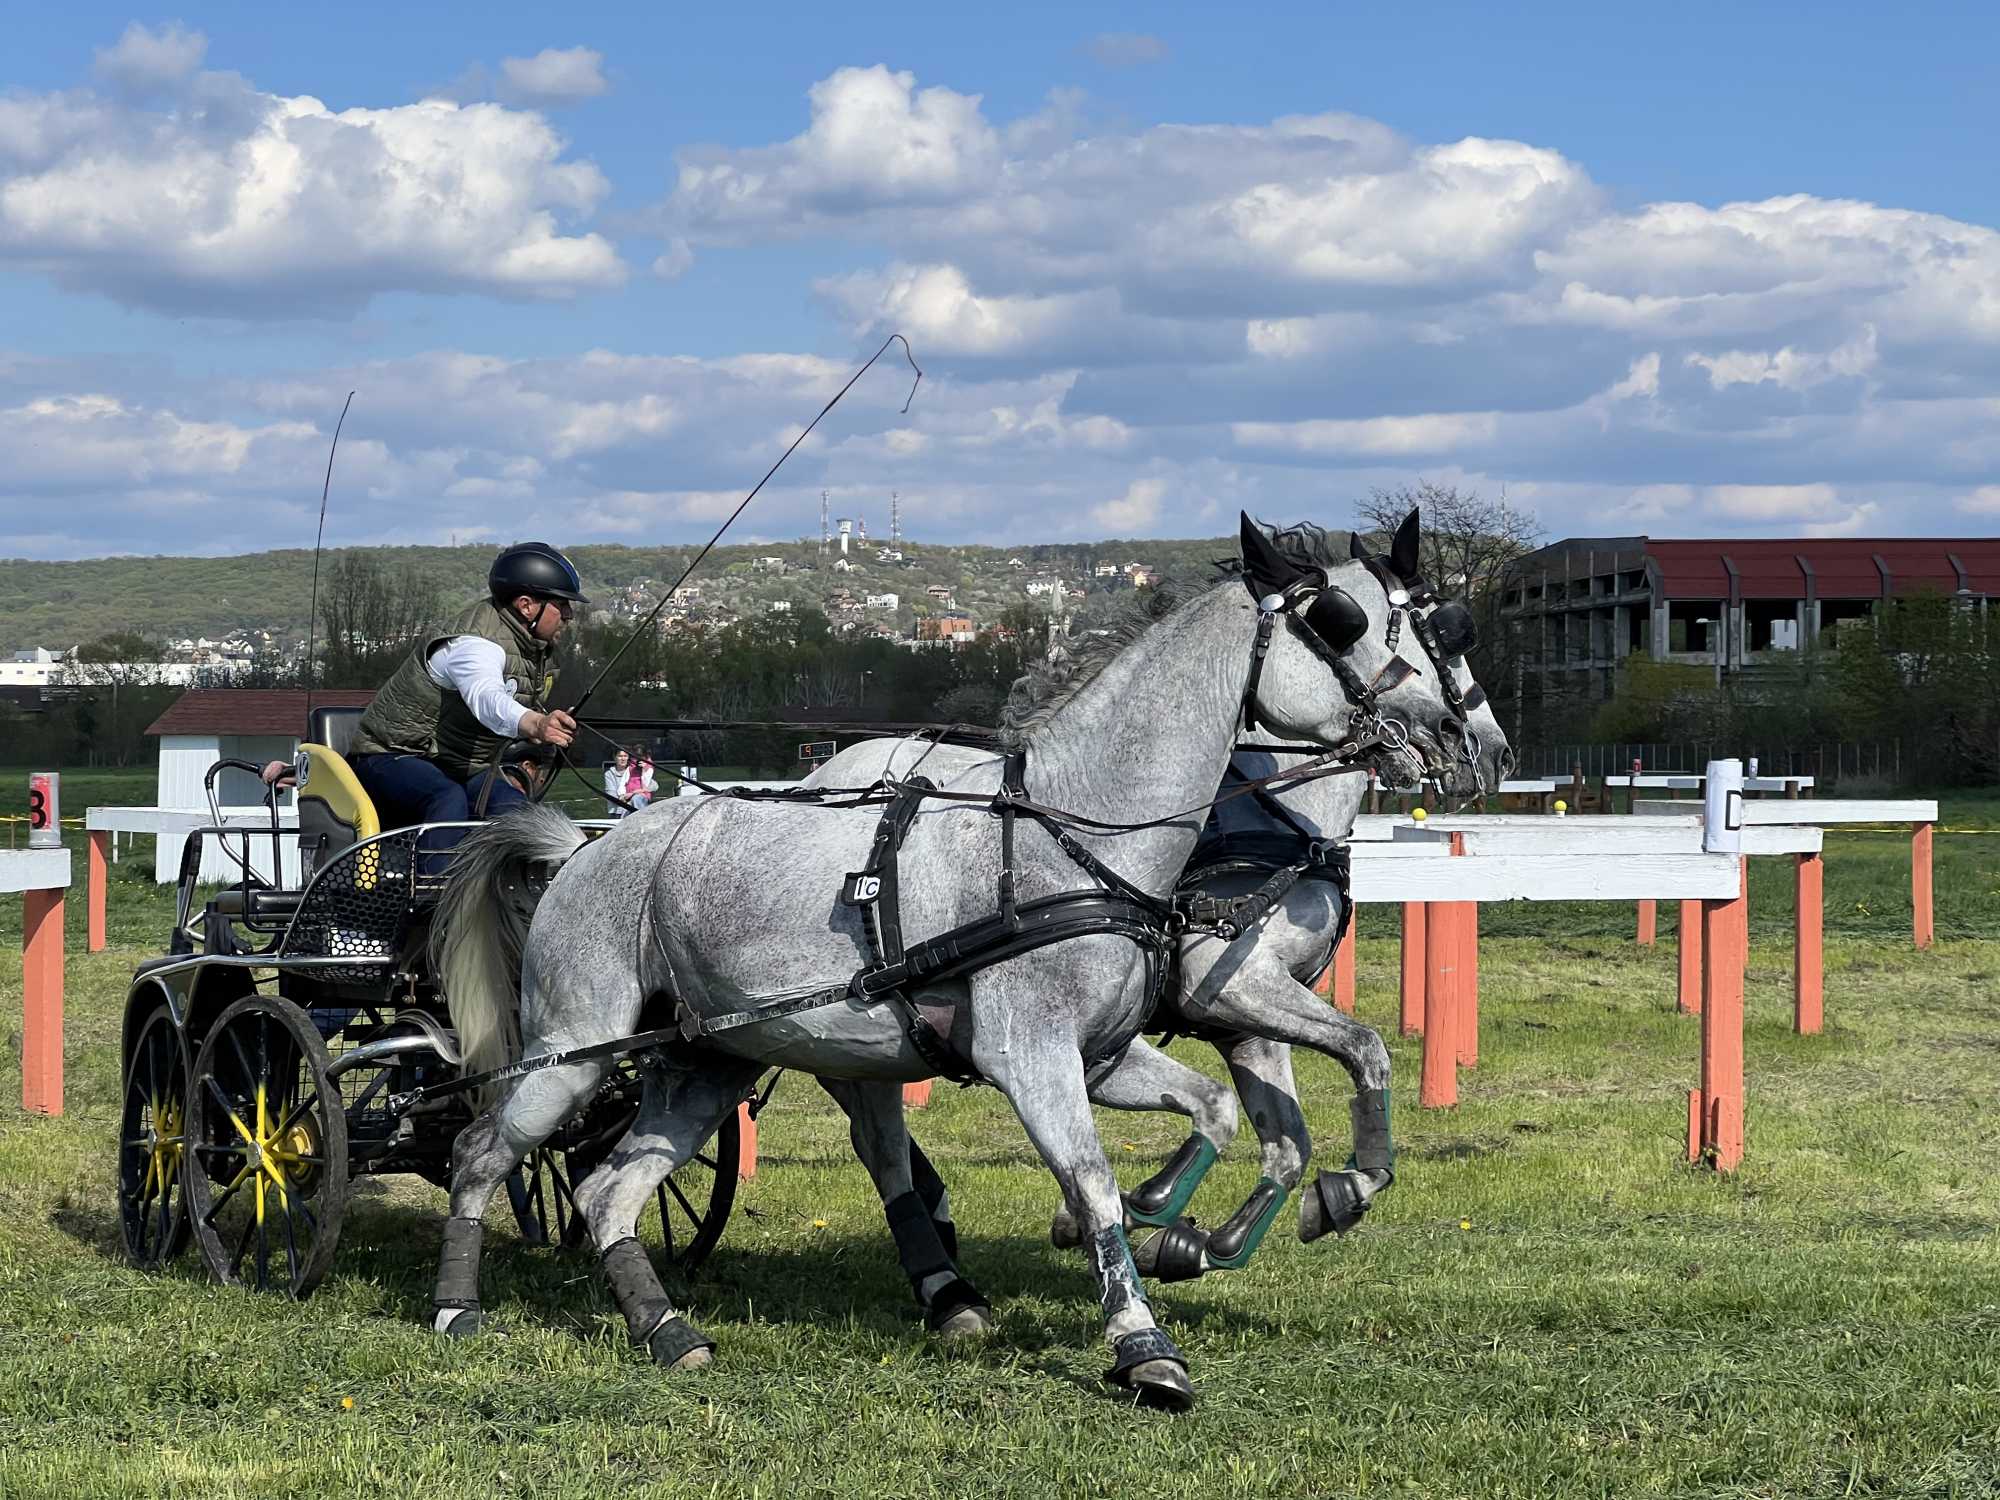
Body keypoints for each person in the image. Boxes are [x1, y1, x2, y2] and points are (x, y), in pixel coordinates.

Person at [341, 541, 585, 834]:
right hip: (389, 755)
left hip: (457, 764)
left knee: (525, 817)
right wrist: (536, 724)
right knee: (446, 798)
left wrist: (547, 729)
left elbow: (510, 705)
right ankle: (433, 881)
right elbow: (487, 699)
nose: (569, 615)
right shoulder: (474, 645)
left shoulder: (535, 650)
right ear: (526, 605)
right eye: (561, 605)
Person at [604, 749, 632, 818]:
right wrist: (623, 798)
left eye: (625, 756)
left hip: (632, 810)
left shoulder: (635, 771)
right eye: (620, 756)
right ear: (615, 758)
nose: (623, 759)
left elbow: (653, 786)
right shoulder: (609, 774)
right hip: (615, 812)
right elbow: (610, 793)